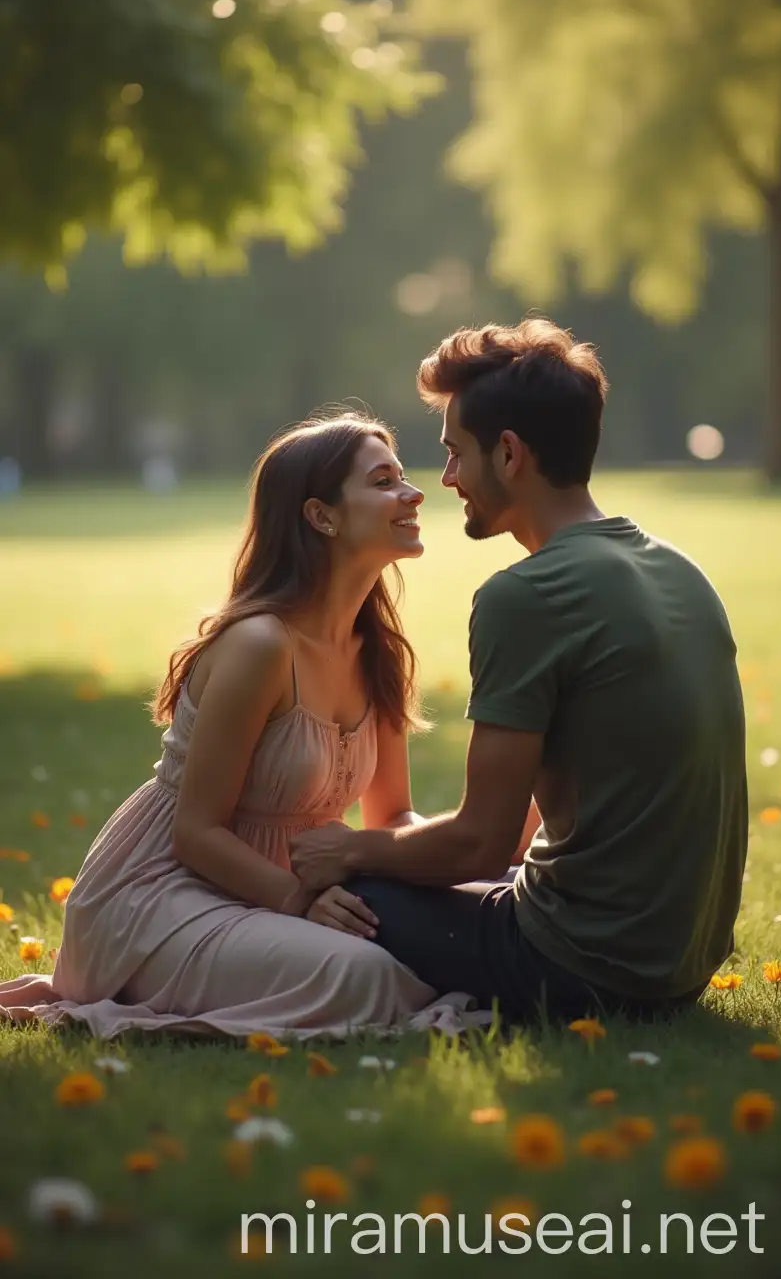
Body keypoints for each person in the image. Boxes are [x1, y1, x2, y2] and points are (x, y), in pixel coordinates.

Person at [291, 319, 749, 1026]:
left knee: (358, 901)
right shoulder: (680, 570)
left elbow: (484, 840)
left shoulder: (526, 595)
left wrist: (348, 850)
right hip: (685, 962)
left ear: (508, 454)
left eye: (454, 454)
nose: (445, 480)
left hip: (587, 966)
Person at [0, 413, 450, 1040]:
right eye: (383, 481)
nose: (413, 493)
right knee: (364, 978)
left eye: (402, 477)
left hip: (296, 889)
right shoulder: (261, 646)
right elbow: (197, 833)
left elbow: (391, 819)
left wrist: (460, 864)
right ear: (322, 516)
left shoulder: (379, 652)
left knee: (455, 942)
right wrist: (300, 901)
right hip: (165, 893)